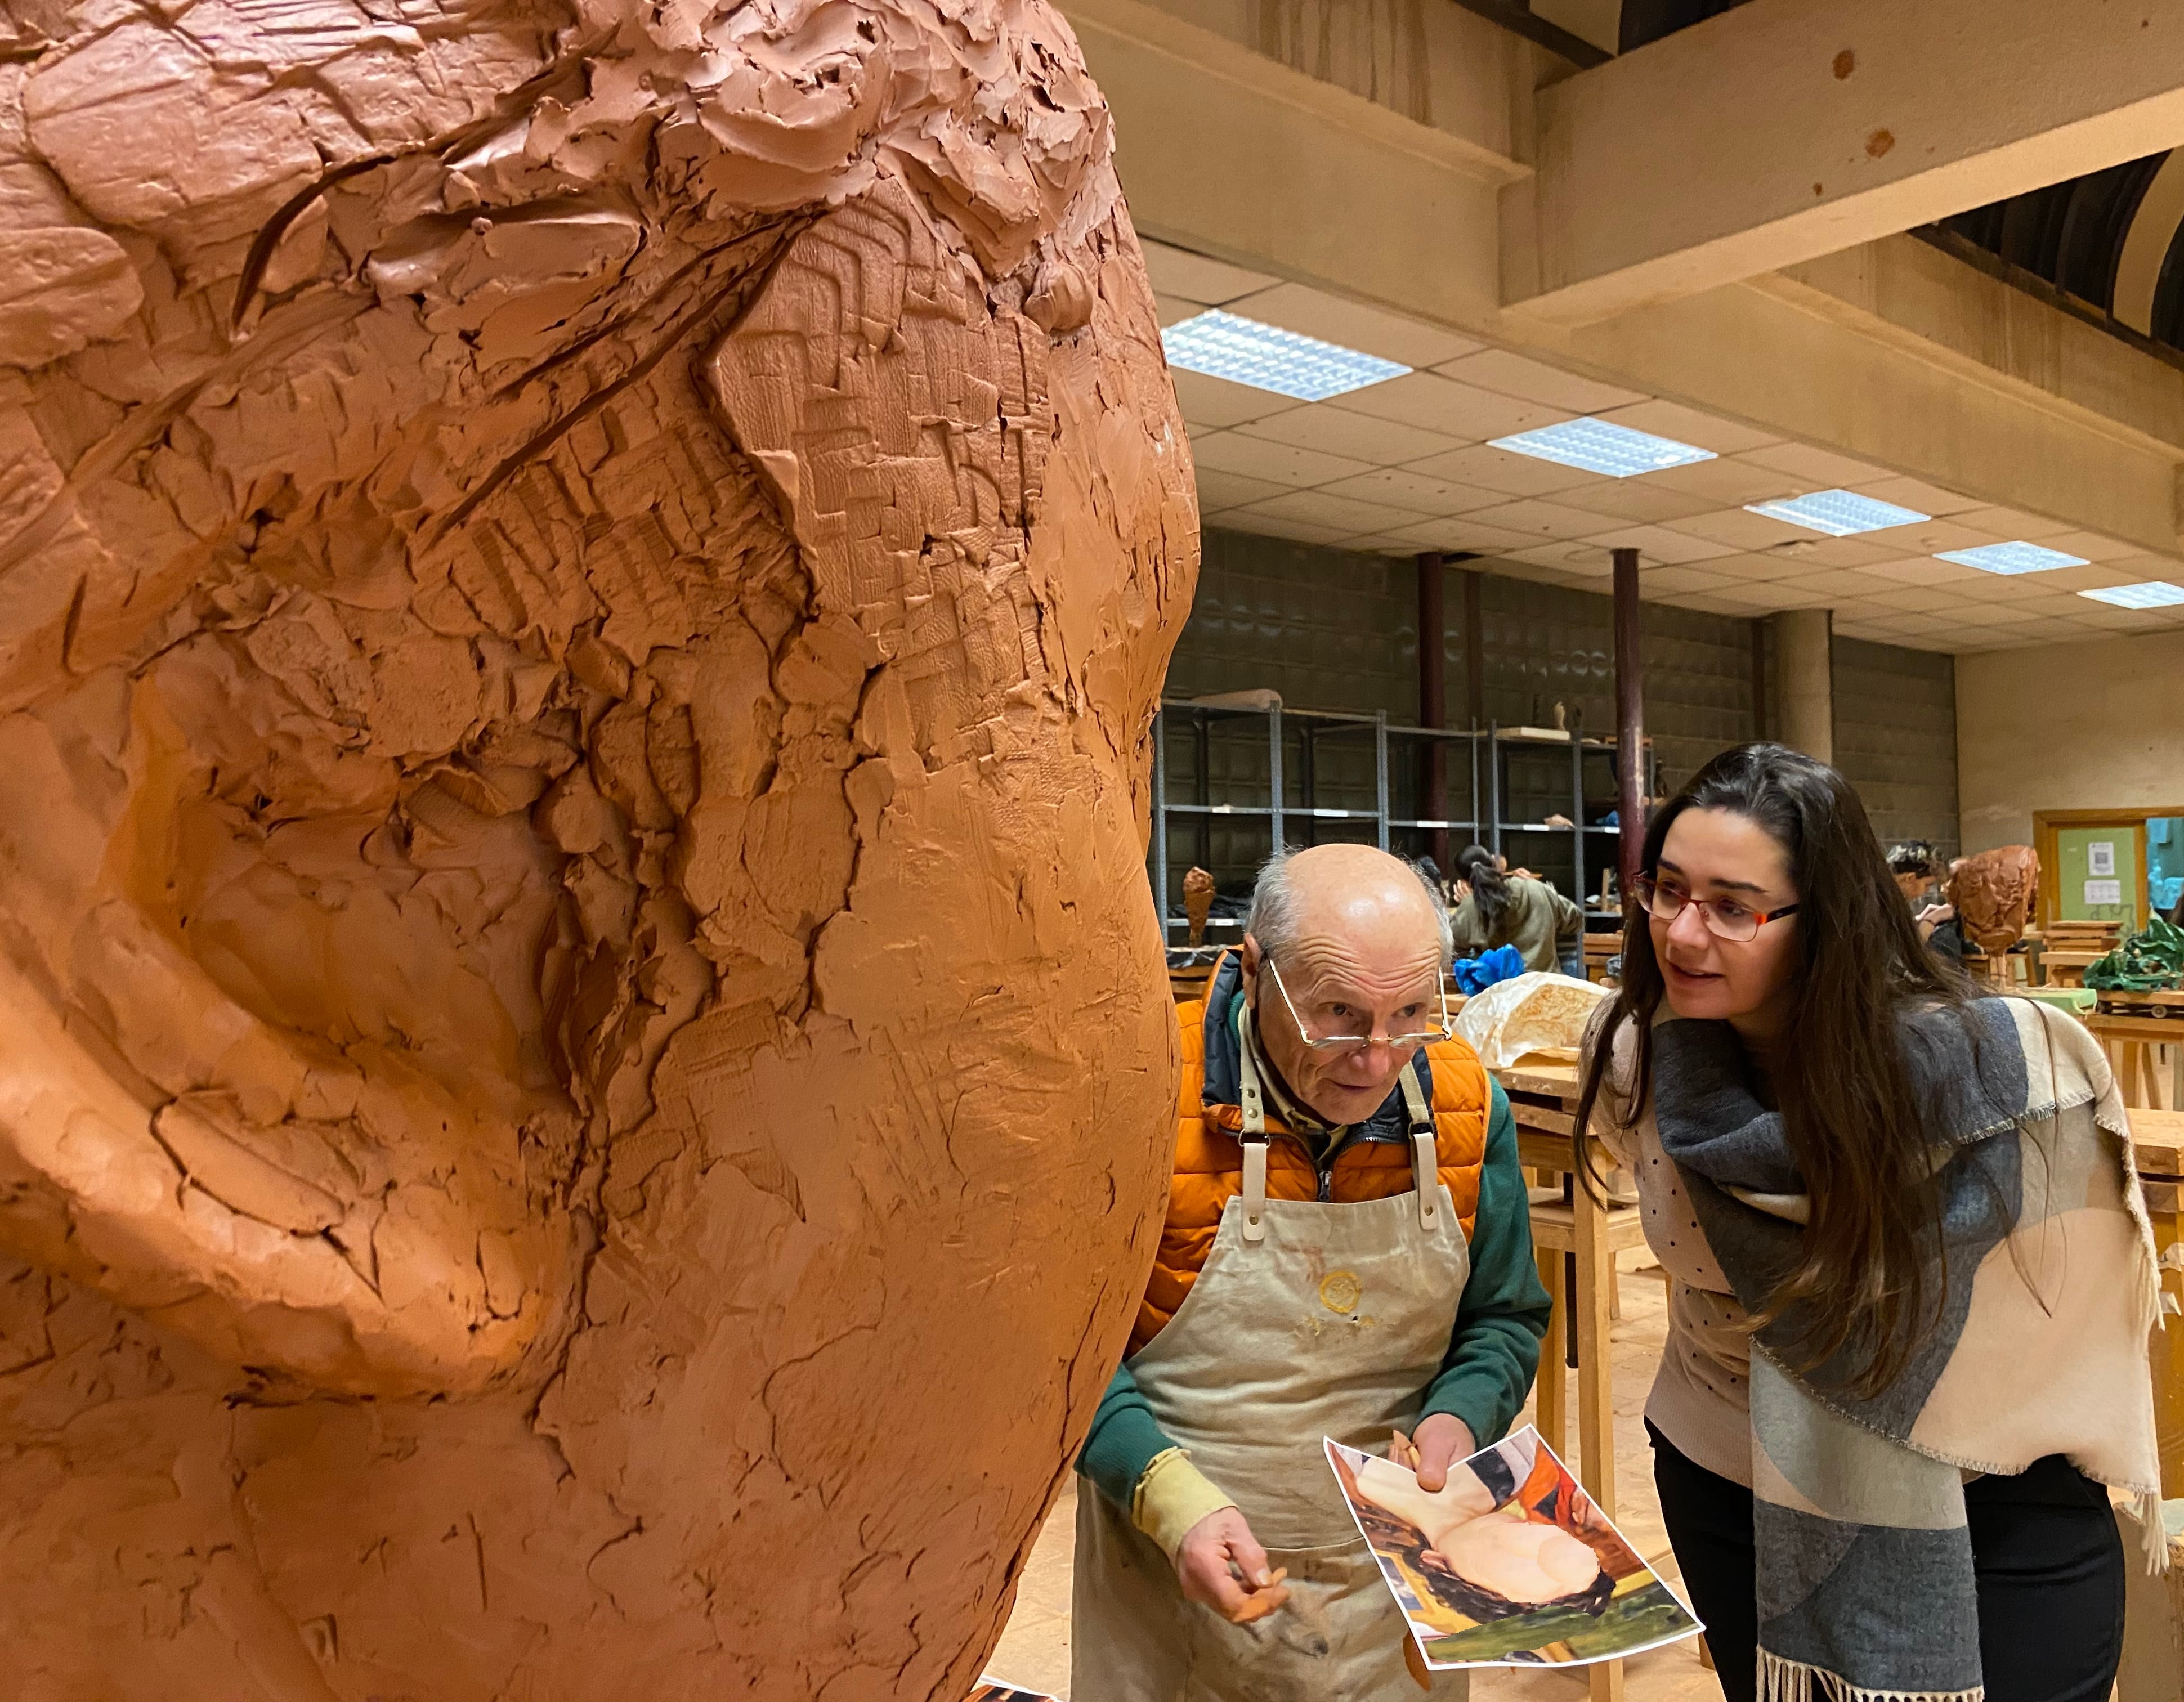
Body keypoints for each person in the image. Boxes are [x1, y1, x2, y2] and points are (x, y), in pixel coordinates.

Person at [1574, 743, 2164, 1702]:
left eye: (1733, 905)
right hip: (1732, 1474)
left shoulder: (1985, 1069)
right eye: (1667, 888)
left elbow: (2061, 1297)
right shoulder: (1640, 1055)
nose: (1684, 932)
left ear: (1828, 920)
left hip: (1996, 1483)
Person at [1073, 843, 1552, 1699]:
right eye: (1337, 1014)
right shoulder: (1143, 1087)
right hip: (1177, 1581)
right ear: (1256, 971)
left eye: (1410, 1012)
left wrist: (1461, 1416)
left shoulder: (1467, 1105)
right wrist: (1165, 1495)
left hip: (1394, 1596)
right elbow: (1060, 1351)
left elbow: (1503, 1318)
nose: (1374, 1060)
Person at [1451, 844, 1581, 974]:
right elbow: (1576, 920)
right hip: (1545, 987)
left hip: (1501, 990)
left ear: (1464, 881)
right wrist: (1545, 893)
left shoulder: (1470, 906)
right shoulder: (1537, 888)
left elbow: (1453, 950)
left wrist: (1468, 907)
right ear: (1494, 864)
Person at [1886, 838, 1966, 961]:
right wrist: (1932, 920)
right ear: (1910, 878)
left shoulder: (1888, 896)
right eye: (1927, 885)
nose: (1927, 891)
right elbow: (1901, 953)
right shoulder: (1879, 902)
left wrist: (1918, 919)